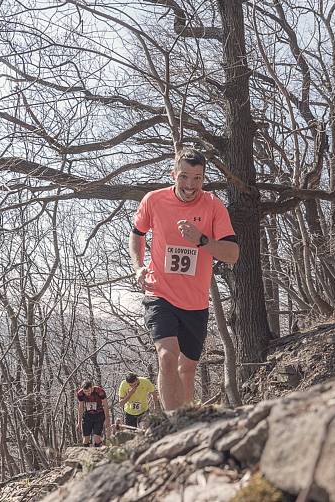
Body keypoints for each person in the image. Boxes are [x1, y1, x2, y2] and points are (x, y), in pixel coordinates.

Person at [128, 148, 239, 411]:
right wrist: (138, 266)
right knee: (167, 357)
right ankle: (174, 424)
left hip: (195, 301)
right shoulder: (153, 200)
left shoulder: (213, 205)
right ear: (173, 175)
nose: (190, 185)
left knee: (187, 368)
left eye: (197, 178)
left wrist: (201, 240)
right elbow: (137, 234)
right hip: (159, 292)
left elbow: (232, 255)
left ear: (204, 178)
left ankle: (187, 425)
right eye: (184, 177)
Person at [76, 380, 111, 447]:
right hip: (88, 415)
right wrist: (79, 422)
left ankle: (99, 453)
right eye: (85, 391)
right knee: (86, 438)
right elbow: (81, 407)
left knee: (96, 438)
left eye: (88, 391)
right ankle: (86, 454)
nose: (87, 393)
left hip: (99, 414)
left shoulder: (100, 391)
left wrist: (107, 419)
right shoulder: (80, 394)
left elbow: (106, 405)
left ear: (92, 388)